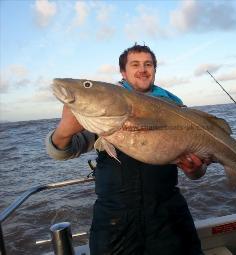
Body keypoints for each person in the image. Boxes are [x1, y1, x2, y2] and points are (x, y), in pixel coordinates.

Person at [46, 44, 209, 255]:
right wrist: (63, 131)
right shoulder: (107, 104)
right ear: (123, 72)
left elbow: (198, 170)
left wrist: (195, 170)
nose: (142, 69)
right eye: (135, 64)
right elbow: (64, 151)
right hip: (115, 218)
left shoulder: (176, 108)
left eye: (148, 64)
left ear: (154, 70)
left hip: (167, 213)